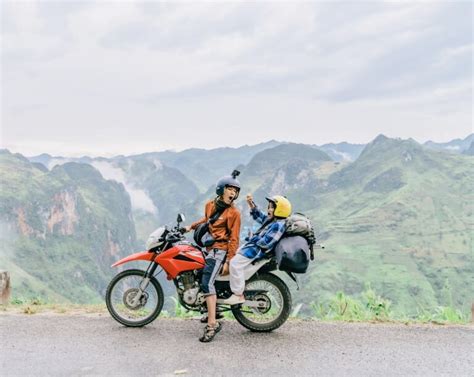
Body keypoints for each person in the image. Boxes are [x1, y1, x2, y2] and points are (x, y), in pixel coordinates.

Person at [185, 173, 241, 342]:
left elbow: (234, 238)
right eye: (229, 189)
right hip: (209, 248)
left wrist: (228, 261)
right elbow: (207, 220)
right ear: (221, 190)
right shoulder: (210, 205)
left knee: (206, 283)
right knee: (199, 272)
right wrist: (191, 227)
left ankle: (212, 324)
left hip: (220, 250)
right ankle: (213, 310)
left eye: (235, 191)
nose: (233, 193)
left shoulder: (234, 213)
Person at [223, 194, 291, 306]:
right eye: (269, 206)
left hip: (255, 251)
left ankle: (238, 295)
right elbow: (261, 217)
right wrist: (251, 205)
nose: (269, 209)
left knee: (235, 264)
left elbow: (266, 243)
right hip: (252, 247)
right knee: (230, 256)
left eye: (271, 207)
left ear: (280, 210)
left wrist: (252, 238)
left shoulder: (278, 225)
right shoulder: (273, 221)